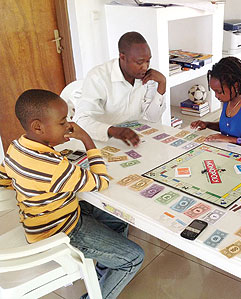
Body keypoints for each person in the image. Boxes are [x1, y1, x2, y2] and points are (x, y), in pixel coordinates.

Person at [0, 89, 144, 299]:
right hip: (61, 229)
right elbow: (101, 182)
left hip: (42, 219)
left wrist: (33, 187)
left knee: (116, 218)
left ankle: (103, 272)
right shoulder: (53, 166)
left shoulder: (15, 148)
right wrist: (87, 139)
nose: (68, 126)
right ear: (38, 127)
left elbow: (4, 179)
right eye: (62, 122)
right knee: (135, 257)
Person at [74, 31, 166, 146]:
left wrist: (162, 85)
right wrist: (112, 130)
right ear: (122, 57)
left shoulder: (148, 75)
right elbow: (81, 120)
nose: (145, 67)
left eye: (148, 61)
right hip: (103, 140)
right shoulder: (98, 77)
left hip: (135, 138)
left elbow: (153, 118)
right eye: (139, 62)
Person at [190, 56, 241, 153]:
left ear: (235, 86)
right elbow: (230, 127)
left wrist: (231, 139)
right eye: (214, 92)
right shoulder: (227, 102)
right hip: (231, 153)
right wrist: (207, 124)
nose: (216, 96)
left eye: (219, 92)